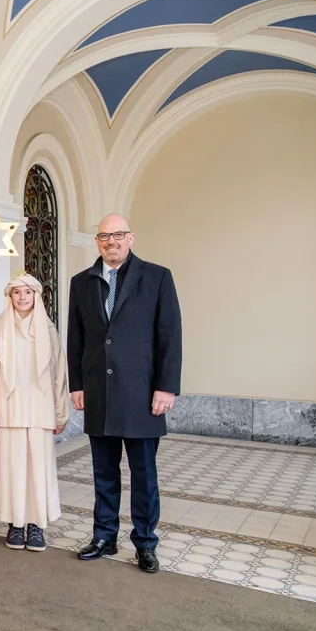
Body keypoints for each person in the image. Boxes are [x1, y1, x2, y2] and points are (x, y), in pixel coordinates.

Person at [67, 213, 182, 573]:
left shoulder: (158, 277)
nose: (110, 241)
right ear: (97, 241)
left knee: (144, 474)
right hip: (98, 393)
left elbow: (170, 335)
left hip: (142, 395)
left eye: (117, 235)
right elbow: (76, 338)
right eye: (104, 236)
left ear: (130, 238)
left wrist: (166, 387)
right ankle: (104, 536)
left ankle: (146, 544)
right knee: (104, 472)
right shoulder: (81, 282)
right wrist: (77, 384)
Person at [0, 270, 69, 552]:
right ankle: (15, 524)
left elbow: (59, 373)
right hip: (9, 408)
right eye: (17, 292)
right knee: (13, 468)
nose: (22, 297)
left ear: (36, 296)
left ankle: (36, 525)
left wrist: (61, 413)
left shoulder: (48, 330)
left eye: (27, 292)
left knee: (37, 469)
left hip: (40, 410)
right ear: (10, 296)